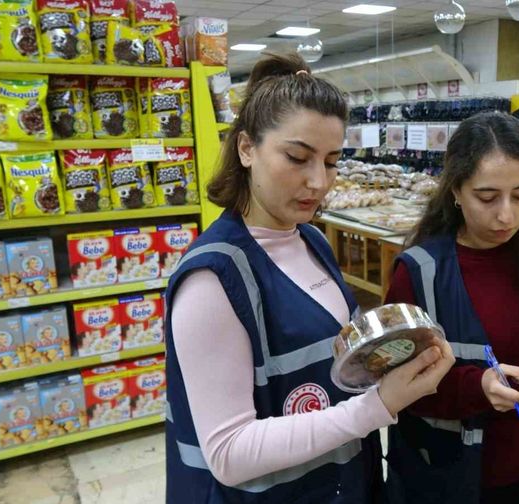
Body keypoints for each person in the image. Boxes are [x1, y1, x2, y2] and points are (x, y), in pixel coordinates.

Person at [163, 53, 455, 504]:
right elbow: (228, 451)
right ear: (246, 149)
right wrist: (376, 407)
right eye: (297, 157)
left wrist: (398, 353)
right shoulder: (213, 279)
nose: (318, 182)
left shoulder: (311, 241)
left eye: (332, 161)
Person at [384, 112, 519, 504]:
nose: (506, 215)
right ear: (456, 191)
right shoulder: (420, 272)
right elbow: (395, 384)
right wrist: (478, 387)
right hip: (443, 471)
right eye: (486, 196)